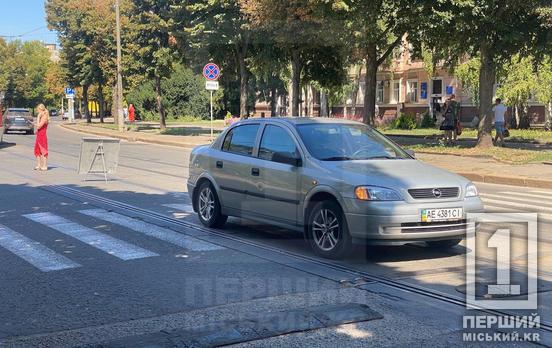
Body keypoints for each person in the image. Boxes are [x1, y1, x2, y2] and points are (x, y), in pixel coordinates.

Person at [34, 104, 49, 171]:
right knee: (37, 150)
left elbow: (39, 126)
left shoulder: (44, 117)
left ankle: (45, 166)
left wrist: (38, 117)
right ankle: (39, 165)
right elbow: (38, 126)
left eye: (38, 110)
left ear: (41, 110)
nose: (38, 112)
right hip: (39, 135)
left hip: (42, 136)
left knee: (43, 150)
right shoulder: (42, 117)